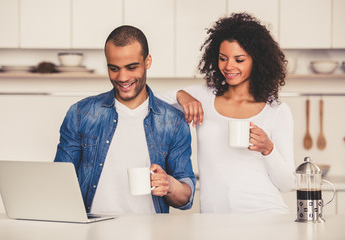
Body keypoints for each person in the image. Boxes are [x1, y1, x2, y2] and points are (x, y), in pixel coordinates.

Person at [158, 12, 295, 213]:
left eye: (239, 59)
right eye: (223, 58)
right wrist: (180, 95)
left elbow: (287, 184)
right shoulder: (202, 96)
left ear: (256, 61)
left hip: (265, 216)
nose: (229, 66)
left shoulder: (276, 111)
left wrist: (268, 149)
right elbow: (146, 101)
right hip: (214, 221)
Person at [54, 25, 196, 214]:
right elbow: (60, 182)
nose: (122, 77)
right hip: (92, 232)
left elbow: (186, 197)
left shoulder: (174, 121)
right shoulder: (80, 113)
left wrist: (170, 184)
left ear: (147, 62)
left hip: (150, 232)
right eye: (114, 68)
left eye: (131, 67)